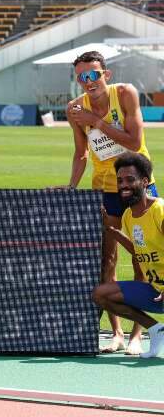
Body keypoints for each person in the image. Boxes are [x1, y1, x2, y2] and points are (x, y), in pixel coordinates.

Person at [64, 50, 157, 354]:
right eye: (81, 77)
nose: (88, 81)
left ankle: (137, 335)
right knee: (108, 259)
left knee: (142, 256)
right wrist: (70, 186)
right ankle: (116, 333)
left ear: (106, 74)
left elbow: (133, 141)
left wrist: (96, 122)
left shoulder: (125, 94)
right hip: (105, 187)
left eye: (93, 74)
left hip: (138, 185)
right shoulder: (75, 109)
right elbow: (81, 153)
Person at [93, 152, 164, 358]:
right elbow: (138, 250)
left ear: (145, 181)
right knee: (101, 294)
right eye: (120, 180)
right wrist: (113, 232)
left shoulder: (159, 211)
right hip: (156, 291)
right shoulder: (128, 215)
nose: (123, 185)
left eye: (130, 180)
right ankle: (156, 330)